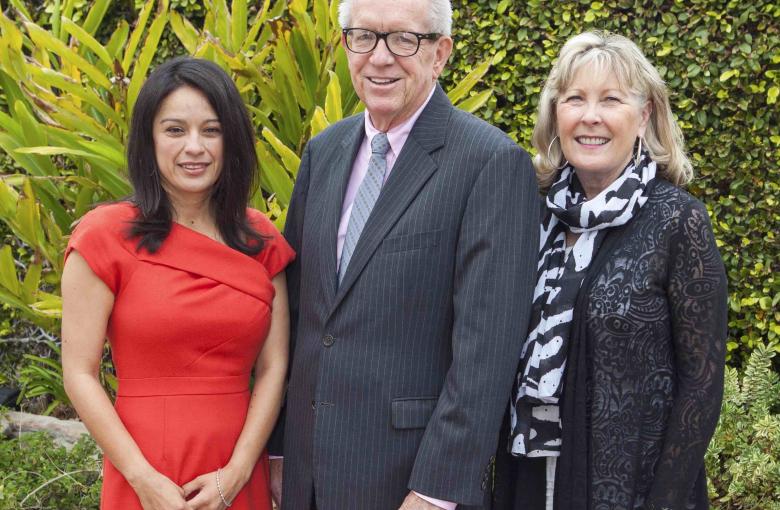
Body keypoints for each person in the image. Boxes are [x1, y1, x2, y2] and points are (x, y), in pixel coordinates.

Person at [267, 0, 540, 509]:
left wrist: (437, 490)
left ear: (440, 53)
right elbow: (300, 319)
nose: (380, 57)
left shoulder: (491, 163)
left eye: (403, 39)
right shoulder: (322, 154)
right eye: (364, 36)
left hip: (408, 481)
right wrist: (280, 450)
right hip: (307, 477)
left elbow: (487, 351)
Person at [494, 31, 727, 510]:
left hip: (629, 492)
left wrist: (664, 500)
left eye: (611, 99)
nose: (590, 116)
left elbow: (702, 383)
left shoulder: (676, 220)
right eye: (575, 98)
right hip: (530, 477)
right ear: (556, 115)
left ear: (643, 117)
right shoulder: (533, 218)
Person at [61, 57, 294, 510]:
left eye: (211, 130)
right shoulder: (103, 236)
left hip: (236, 467)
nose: (195, 147)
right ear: (149, 139)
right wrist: (142, 478)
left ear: (232, 141)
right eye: (174, 130)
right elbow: (80, 373)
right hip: (143, 468)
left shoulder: (261, 240)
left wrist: (240, 471)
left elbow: (273, 368)